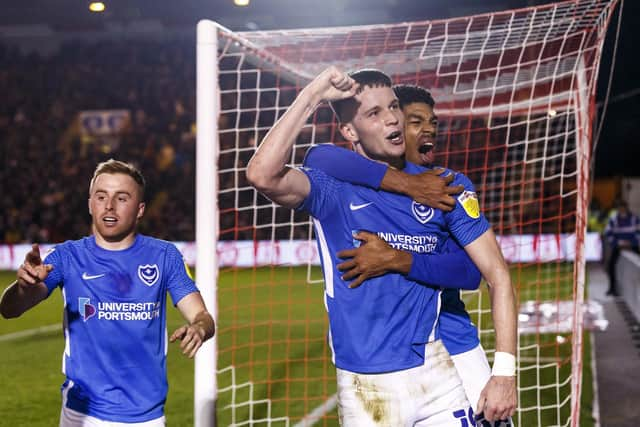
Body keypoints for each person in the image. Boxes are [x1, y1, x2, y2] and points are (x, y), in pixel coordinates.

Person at [247, 66, 516, 425]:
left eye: (393, 107)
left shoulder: (445, 186)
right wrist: (313, 94)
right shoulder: (332, 189)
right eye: (374, 113)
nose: (391, 119)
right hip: (366, 386)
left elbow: (491, 274)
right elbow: (262, 173)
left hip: (437, 369)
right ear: (348, 130)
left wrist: (505, 372)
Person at [0, 159, 215, 426]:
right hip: (82, 413)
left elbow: (202, 315)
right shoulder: (67, 257)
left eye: (121, 198)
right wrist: (23, 287)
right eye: (101, 196)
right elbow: (10, 309)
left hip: (147, 417)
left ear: (140, 209)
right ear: (90, 204)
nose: (109, 205)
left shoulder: (165, 256)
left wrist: (199, 328)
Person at [604, 198, 640, 296]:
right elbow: (608, 234)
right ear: (618, 209)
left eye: (623, 208)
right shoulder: (613, 219)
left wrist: (632, 242)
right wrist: (618, 243)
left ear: (626, 208)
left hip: (632, 245)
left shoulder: (634, 218)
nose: (622, 210)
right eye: (620, 208)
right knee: (611, 265)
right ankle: (612, 287)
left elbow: (638, 233)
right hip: (618, 246)